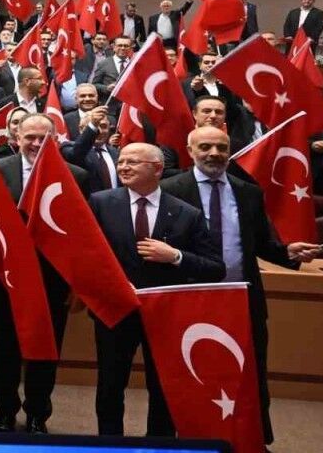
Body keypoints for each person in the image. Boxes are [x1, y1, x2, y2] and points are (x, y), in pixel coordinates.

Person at [161, 126, 321, 443]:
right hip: (190, 299)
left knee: (251, 372)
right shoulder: (169, 190)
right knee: (189, 375)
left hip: (242, 299)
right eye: (205, 147)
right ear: (190, 150)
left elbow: (259, 243)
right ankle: (186, 442)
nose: (214, 154)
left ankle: (255, 440)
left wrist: (288, 252)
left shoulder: (248, 192)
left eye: (221, 148)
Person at [87, 142, 225, 436]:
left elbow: (216, 267)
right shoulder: (100, 203)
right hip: (115, 311)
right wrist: (110, 284)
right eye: (121, 161)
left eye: (133, 162)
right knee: (110, 384)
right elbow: (85, 255)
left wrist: (175, 256)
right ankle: (109, 443)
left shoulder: (187, 213)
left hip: (166, 316)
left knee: (162, 386)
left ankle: (159, 443)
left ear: (157, 169)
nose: (123, 167)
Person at [0, 113, 89, 433]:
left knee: (46, 349)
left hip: (53, 279)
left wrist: (76, 282)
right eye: (29, 137)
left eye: (43, 138)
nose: (35, 143)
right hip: (9, 277)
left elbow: (83, 233)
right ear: (16, 138)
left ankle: (37, 413)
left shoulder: (77, 176)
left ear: (56, 140)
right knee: (5, 348)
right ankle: (5, 410)